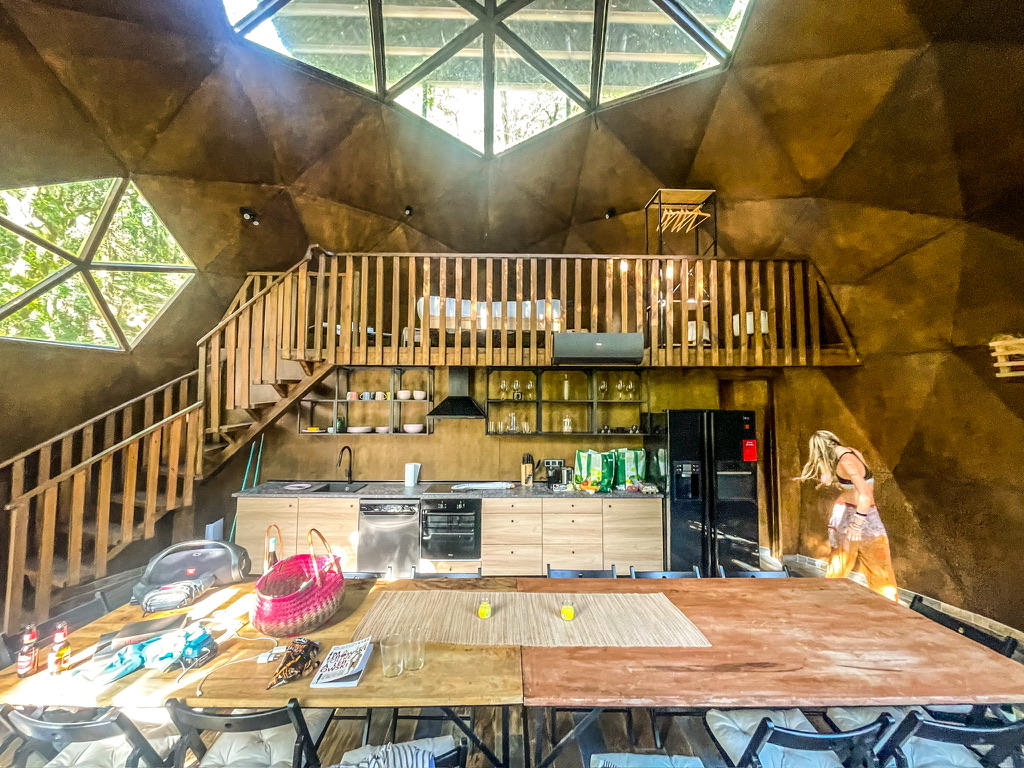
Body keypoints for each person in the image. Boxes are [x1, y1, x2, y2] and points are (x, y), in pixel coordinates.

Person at [796, 430, 898, 601]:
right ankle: (830, 603)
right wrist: (830, 478)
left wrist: (857, 524)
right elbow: (853, 482)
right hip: (855, 512)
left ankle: (889, 607)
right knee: (841, 565)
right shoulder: (851, 453)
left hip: (857, 514)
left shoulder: (846, 462)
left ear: (820, 451)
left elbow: (865, 493)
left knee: (878, 567)